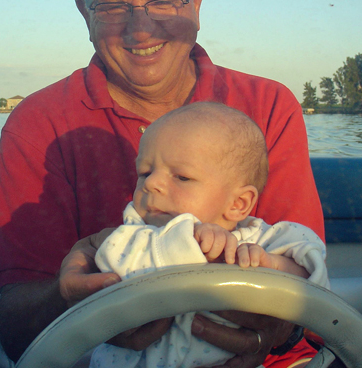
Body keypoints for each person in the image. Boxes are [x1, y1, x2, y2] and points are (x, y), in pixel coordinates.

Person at [0, 0, 325, 367]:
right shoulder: (37, 126)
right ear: (85, 13)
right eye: (113, 7)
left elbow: (309, 291)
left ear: (197, 2)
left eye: (164, 1)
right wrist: (71, 302)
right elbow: (16, 330)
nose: (142, 29)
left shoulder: (268, 106)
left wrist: (277, 330)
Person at [90, 102, 329, 368]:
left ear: (238, 203)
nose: (151, 183)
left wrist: (270, 266)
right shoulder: (136, 233)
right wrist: (188, 237)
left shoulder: (261, 240)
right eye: (144, 172)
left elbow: (313, 279)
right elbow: (114, 261)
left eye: (181, 177)